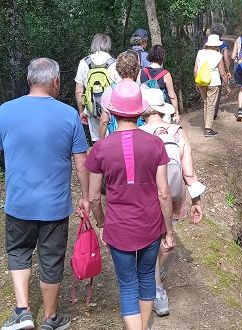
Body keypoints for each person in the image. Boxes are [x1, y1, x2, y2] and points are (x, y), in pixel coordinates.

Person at [0, 58, 90, 330]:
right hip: (54, 206)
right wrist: (87, 196)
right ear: (55, 81)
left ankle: (22, 311)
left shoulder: (5, 111)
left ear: (30, 80)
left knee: (18, 252)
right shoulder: (68, 115)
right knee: (51, 259)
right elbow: (81, 161)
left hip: (18, 203)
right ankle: (50, 318)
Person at [86, 80, 175, 330]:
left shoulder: (101, 148)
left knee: (127, 285)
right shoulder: (155, 145)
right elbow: (164, 193)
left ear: (112, 111)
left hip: (119, 227)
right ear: (140, 111)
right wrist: (168, 230)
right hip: (150, 225)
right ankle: (144, 326)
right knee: (147, 278)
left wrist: (103, 223)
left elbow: (94, 197)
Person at [140, 87, 205, 316]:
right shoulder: (178, 132)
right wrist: (197, 200)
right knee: (166, 238)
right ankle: (154, 279)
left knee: (152, 241)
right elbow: (188, 173)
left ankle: (155, 287)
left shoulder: (138, 134)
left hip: (146, 196)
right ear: (162, 108)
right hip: (174, 196)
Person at [75, 33, 121, 143]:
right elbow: (120, 88)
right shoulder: (114, 63)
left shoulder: (84, 62)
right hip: (111, 109)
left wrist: (81, 111)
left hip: (92, 109)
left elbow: (79, 91)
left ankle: (100, 158)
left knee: (97, 142)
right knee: (113, 141)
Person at [99, 50, 141, 139]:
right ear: (137, 68)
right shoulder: (142, 89)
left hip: (116, 138)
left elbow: (104, 120)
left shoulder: (110, 90)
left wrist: (101, 141)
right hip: (139, 138)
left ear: (118, 69)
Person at [194, 34, 230, 137]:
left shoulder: (200, 53)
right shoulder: (218, 55)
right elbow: (222, 73)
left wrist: (197, 82)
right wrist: (227, 86)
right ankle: (208, 129)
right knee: (210, 105)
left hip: (201, 82)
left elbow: (195, 70)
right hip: (213, 83)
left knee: (206, 103)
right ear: (216, 46)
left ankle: (207, 125)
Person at [138, 45, 180, 124]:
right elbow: (172, 96)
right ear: (162, 57)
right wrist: (176, 113)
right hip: (162, 109)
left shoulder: (142, 71)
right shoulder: (165, 74)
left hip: (146, 110)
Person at [209, 24, 232, 120]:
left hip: (205, 71)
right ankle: (213, 113)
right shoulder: (223, 44)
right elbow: (226, 59)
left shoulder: (207, 43)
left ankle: (207, 112)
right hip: (217, 72)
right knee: (217, 93)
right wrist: (228, 70)